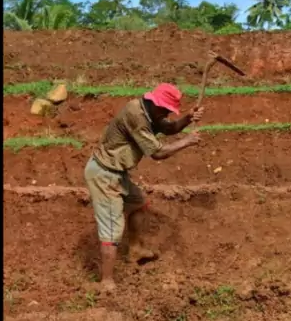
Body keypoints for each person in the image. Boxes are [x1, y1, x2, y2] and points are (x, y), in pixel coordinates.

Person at [84, 83, 204, 291]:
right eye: (165, 110)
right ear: (155, 104)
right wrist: (187, 142)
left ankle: (135, 249)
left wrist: (187, 118)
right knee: (112, 229)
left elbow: (168, 128)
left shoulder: (149, 112)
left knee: (138, 203)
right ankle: (107, 282)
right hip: (104, 174)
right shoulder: (136, 115)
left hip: (117, 173)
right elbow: (157, 153)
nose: (167, 114)